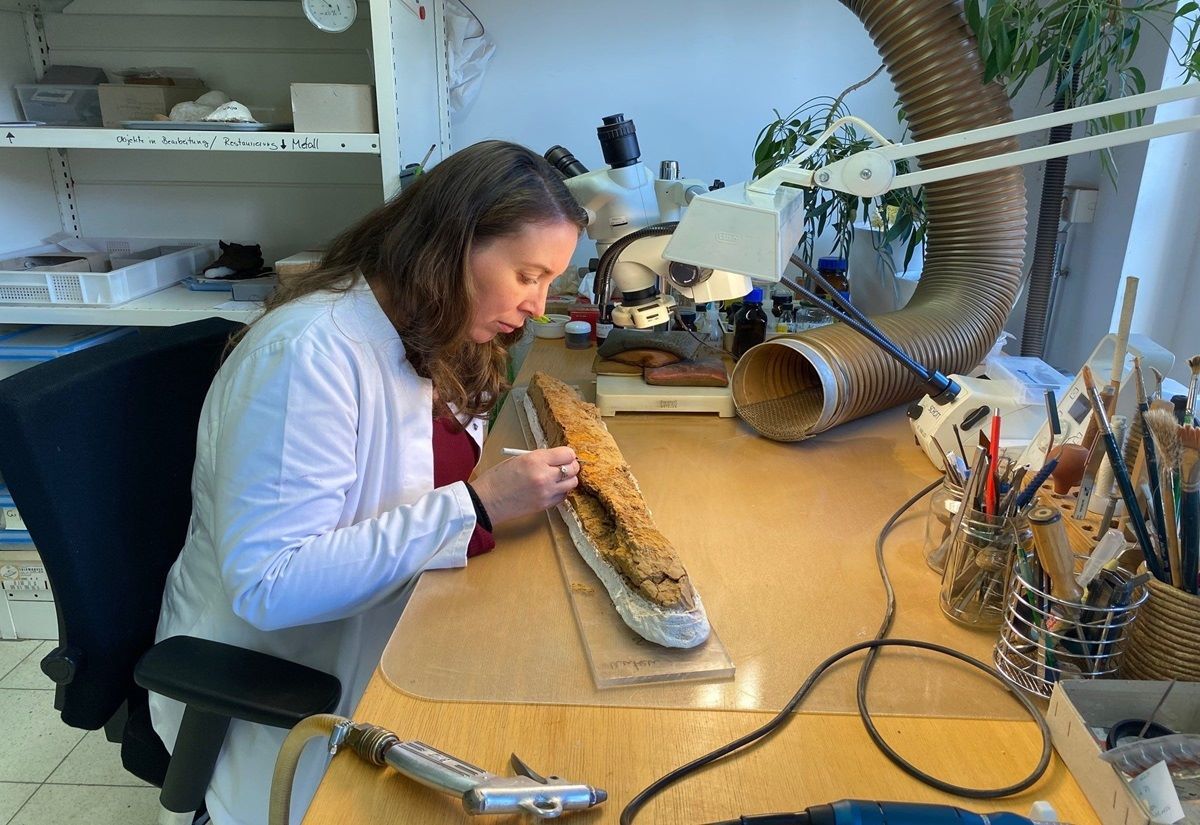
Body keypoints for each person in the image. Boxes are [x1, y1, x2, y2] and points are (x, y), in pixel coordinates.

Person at [149, 140, 589, 825]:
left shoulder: (430, 327)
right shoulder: (309, 355)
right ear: (452, 245)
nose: (538, 304)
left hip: (395, 622)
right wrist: (477, 505)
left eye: (549, 281)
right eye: (528, 274)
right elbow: (271, 582)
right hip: (284, 674)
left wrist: (478, 504)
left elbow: (420, 467)